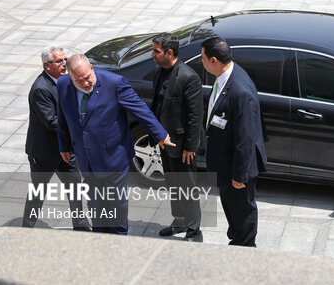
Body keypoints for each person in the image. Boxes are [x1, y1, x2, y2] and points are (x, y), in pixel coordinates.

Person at [57, 54, 174, 235]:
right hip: (86, 158)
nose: (86, 83)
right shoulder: (63, 84)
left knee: (115, 204)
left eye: (88, 77)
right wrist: (64, 145)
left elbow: (140, 109)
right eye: (79, 81)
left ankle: (119, 239)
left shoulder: (114, 83)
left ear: (92, 69)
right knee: (95, 203)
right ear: (70, 77)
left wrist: (160, 134)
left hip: (114, 157)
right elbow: (63, 116)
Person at [201, 37, 267, 247]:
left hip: (237, 169)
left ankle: (245, 248)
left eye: (202, 58)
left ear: (213, 60)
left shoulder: (240, 90)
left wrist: (240, 175)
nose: (200, 62)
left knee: (242, 213)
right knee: (232, 210)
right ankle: (237, 240)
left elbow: (245, 138)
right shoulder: (225, 76)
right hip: (225, 163)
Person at [22, 46, 91, 231]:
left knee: (75, 185)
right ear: (47, 65)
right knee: (39, 191)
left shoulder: (66, 80)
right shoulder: (40, 89)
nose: (64, 64)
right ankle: (26, 228)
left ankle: (81, 223)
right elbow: (51, 122)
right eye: (59, 61)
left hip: (66, 149)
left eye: (65, 59)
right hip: (45, 152)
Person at [150, 33, 203, 242]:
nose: (152, 54)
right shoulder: (158, 72)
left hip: (182, 146)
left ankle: (194, 230)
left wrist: (190, 146)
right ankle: (179, 220)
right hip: (165, 142)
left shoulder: (188, 77)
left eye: (156, 51)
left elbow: (194, 116)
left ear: (169, 53)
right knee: (173, 184)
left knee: (187, 186)